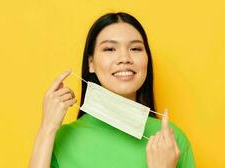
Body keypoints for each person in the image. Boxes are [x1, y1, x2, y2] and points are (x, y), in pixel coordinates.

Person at [29, 12, 196, 168]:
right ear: (91, 63)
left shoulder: (171, 142)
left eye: (135, 49)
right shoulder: (60, 140)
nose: (124, 59)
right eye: (109, 49)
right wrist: (47, 127)